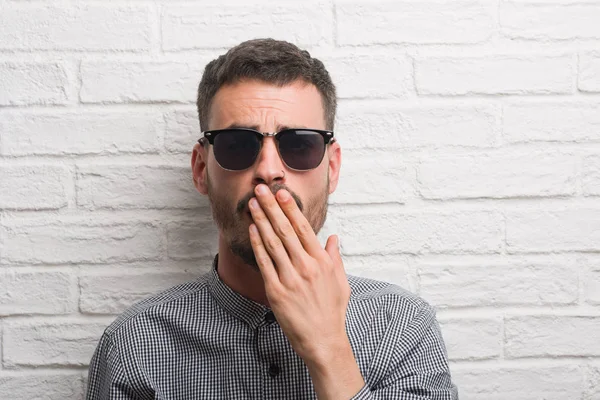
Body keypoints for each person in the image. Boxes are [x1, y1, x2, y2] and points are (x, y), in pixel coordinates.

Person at [86, 38, 458, 400]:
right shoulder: (134, 347)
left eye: (298, 144)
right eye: (237, 144)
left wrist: (329, 350)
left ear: (332, 167)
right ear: (201, 169)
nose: (268, 170)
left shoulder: (402, 327)